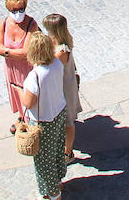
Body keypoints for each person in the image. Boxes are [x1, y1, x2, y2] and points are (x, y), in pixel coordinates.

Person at [19, 30, 68, 200]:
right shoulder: (57, 63)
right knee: (56, 151)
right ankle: (58, 180)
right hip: (59, 112)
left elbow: (28, 103)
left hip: (43, 121)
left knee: (43, 161)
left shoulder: (35, 76)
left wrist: (20, 92)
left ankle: (53, 193)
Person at [40, 14, 81, 165]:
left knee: (68, 121)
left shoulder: (62, 50)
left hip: (64, 88)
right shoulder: (56, 41)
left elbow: (51, 66)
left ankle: (68, 152)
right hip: (60, 86)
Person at [0, 0, 40, 129]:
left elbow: (26, 53)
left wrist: (6, 52)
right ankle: (22, 117)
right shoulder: (4, 23)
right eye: (14, 10)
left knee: (28, 94)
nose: (18, 13)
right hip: (11, 67)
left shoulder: (31, 24)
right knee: (16, 91)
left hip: (27, 68)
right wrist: (10, 53)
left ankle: (30, 121)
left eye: (21, 9)